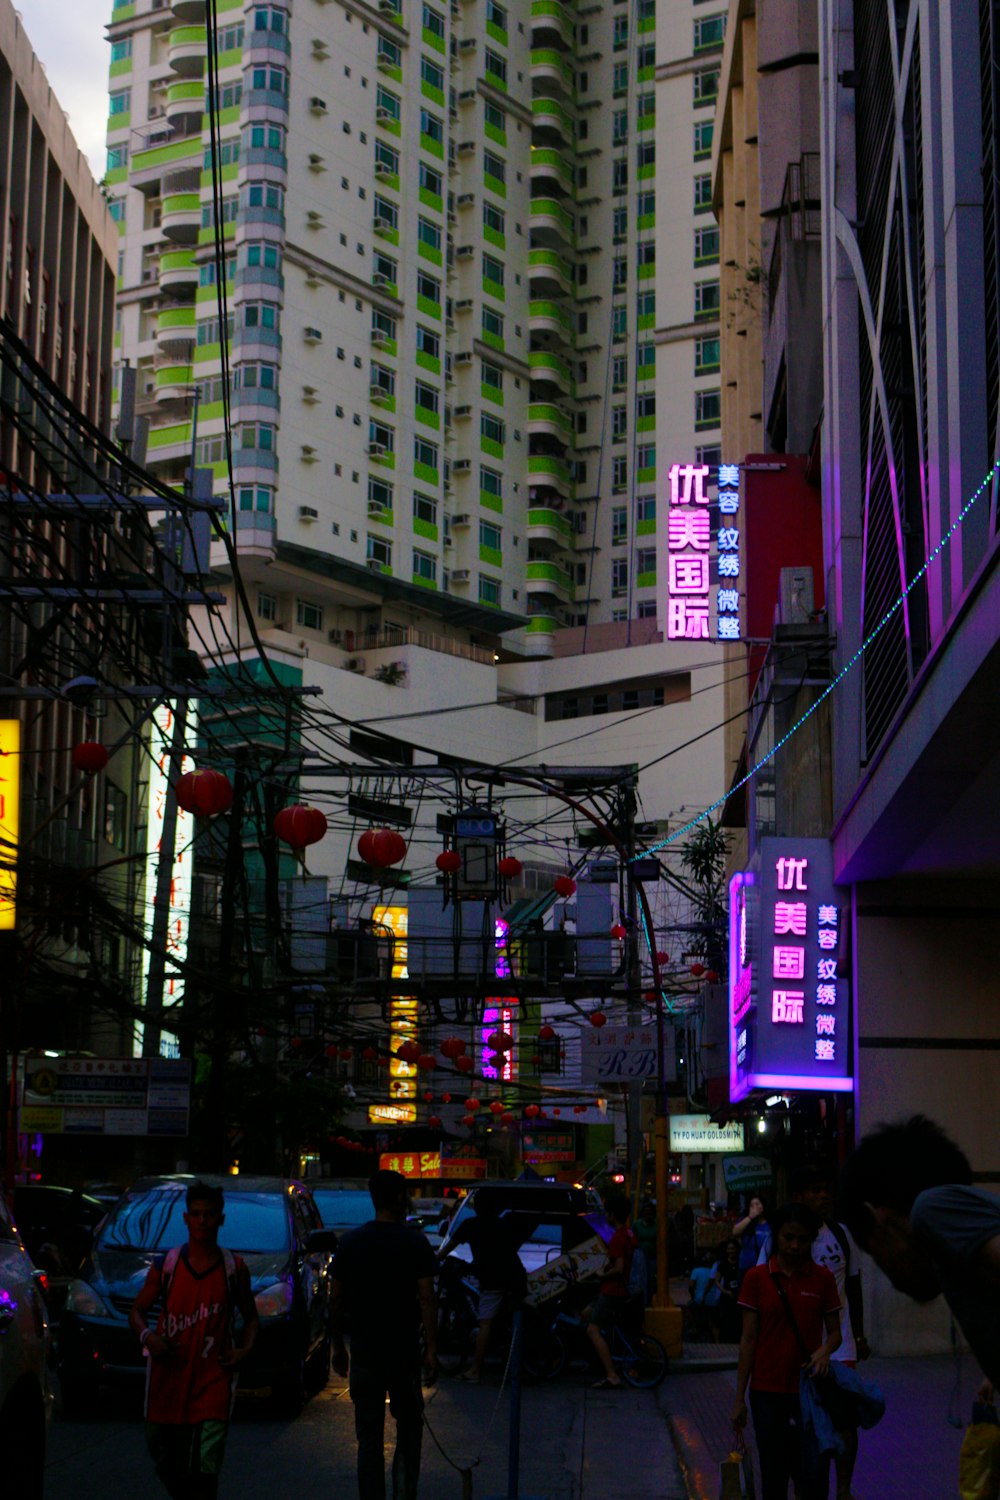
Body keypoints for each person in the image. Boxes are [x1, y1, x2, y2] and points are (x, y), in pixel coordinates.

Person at [839, 1114, 1000, 1390]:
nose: (889, 1275)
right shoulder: (959, 1265)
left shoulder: (933, 1207)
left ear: (879, 1217)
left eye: (874, 1254)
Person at [129, 1180, 259, 1500]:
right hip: (167, 1382)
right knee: (167, 1461)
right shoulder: (167, 1265)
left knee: (204, 1473)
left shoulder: (233, 1268)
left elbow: (252, 1317)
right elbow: (137, 1311)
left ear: (221, 1219)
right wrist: (149, 1338)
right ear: (186, 1218)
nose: (203, 1221)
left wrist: (245, 1349)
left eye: (210, 1214)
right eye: (197, 1214)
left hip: (212, 1382)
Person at [331, 1169, 438, 1500]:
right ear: (398, 1199)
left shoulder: (350, 1243)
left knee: (369, 1439)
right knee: (408, 1431)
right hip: (403, 1354)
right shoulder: (415, 1243)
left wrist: (337, 1346)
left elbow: (336, 1299)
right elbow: (426, 1297)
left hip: (364, 1352)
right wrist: (431, 1350)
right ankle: (404, 1493)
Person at [732, 1201, 842, 1500]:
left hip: (809, 1392)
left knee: (813, 1474)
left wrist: (824, 1352)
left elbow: (835, 1334)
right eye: (788, 1238)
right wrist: (739, 1398)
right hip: (767, 1391)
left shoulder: (823, 1279)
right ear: (777, 1237)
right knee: (774, 1474)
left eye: (802, 1239)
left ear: (811, 1240)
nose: (795, 1246)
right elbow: (748, 1340)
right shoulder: (757, 1279)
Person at [788, 1164, 869, 1500]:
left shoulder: (842, 1236)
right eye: (815, 1190)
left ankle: (845, 1489)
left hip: (841, 1347)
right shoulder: (784, 1237)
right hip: (799, 1350)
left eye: (827, 1190)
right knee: (802, 1425)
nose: (823, 1196)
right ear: (799, 1196)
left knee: (846, 1422)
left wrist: (860, 1336)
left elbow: (853, 1286)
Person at [440, 1190, 528, 1382]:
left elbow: (448, 1248)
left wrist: (434, 1261)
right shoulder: (502, 1224)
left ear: (476, 1207)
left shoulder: (471, 1225)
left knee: (485, 1322)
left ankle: (475, 1370)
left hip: (496, 1280)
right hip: (514, 1277)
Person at [586, 1191, 637, 1389]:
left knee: (592, 1330)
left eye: (607, 1213)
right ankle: (595, 1363)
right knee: (586, 1315)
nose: (605, 1216)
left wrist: (601, 1275)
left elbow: (619, 1268)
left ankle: (611, 1375)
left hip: (612, 1291)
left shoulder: (617, 1238)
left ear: (612, 1215)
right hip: (617, 1290)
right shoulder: (628, 1233)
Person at [713, 1237, 745, 1342]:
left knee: (738, 1318)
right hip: (726, 1295)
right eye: (729, 1249)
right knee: (725, 1318)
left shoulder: (741, 1264)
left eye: (733, 1248)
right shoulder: (722, 1264)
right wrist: (725, 1291)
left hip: (738, 1295)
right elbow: (716, 1280)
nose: (731, 1251)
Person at [688, 1249, 723, 1342]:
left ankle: (694, 1327)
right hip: (714, 1301)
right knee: (714, 1322)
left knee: (690, 1307)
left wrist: (693, 1297)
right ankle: (717, 1342)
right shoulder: (714, 1271)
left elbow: (691, 1286)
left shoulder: (696, 1271)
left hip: (700, 1300)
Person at [733, 1194, 771, 1275]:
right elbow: (735, 1232)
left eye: (757, 1204)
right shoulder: (745, 1221)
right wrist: (750, 1217)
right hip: (745, 1266)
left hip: (763, 1266)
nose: (755, 1207)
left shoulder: (770, 1224)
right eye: (752, 1205)